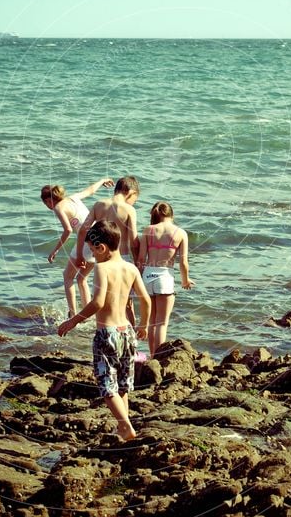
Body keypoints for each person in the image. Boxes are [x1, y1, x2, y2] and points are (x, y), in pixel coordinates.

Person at [57, 219, 150, 441]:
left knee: (107, 385)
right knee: (123, 385)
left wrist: (73, 321)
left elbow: (97, 302)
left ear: (102, 248)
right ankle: (124, 426)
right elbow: (145, 299)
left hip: (107, 333)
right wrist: (144, 324)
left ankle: (125, 425)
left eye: (92, 250)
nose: (91, 255)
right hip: (127, 332)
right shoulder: (131, 268)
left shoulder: (102, 268)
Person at [41, 178, 113, 316]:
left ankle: (73, 314)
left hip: (87, 242)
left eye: (45, 203)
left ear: (48, 200)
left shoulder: (58, 207)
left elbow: (68, 230)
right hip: (99, 239)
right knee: (81, 278)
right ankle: (87, 314)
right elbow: (91, 191)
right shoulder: (73, 198)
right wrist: (102, 180)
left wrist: (55, 250)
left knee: (67, 277)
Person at [75, 176, 140, 325]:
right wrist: (137, 263)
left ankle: (104, 328)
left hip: (101, 257)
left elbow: (83, 230)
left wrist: (80, 255)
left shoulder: (99, 204)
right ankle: (131, 336)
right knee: (126, 301)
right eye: (135, 199)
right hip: (121, 257)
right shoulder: (128, 209)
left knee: (103, 297)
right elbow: (134, 242)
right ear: (129, 192)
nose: (134, 202)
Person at [137, 200, 194, 357]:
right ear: (171, 214)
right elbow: (183, 262)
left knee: (151, 322)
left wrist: (138, 279)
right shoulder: (180, 233)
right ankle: (158, 358)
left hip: (148, 274)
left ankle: (151, 355)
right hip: (165, 276)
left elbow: (141, 258)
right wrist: (185, 280)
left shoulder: (148, 230)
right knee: (161, 323)